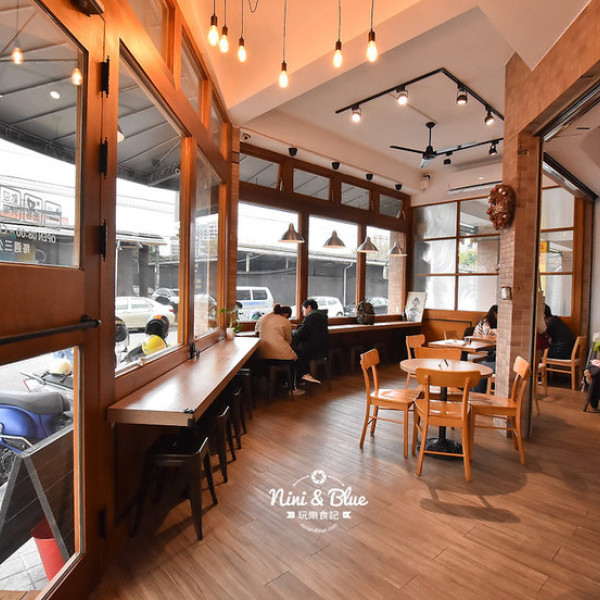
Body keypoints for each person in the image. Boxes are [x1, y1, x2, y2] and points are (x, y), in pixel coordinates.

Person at [292, 298, 329, 385]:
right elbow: (310, 328)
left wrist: (293, 332)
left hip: (312, 350)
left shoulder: (310, 317)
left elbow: (301, 333)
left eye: (303, 309)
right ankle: (303, 377)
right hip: (322, 349)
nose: (302, 312)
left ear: (309, 307)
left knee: (294, 351)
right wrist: (298, 327)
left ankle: (299, 379)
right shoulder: (322, 316)